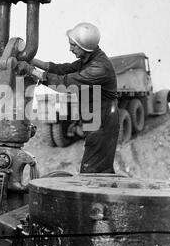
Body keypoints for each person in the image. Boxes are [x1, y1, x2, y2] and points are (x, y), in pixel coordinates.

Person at [16, 22, 119, 173]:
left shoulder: (99, 67)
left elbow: (66, 83)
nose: (70, 48)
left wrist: (32, 72)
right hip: (95, 120)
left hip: (102, 124)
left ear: (85, 47)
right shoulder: (91, 59)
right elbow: (62, 69)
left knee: (93, 172)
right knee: (98, 170)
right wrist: (32, 61)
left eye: (73, 45)